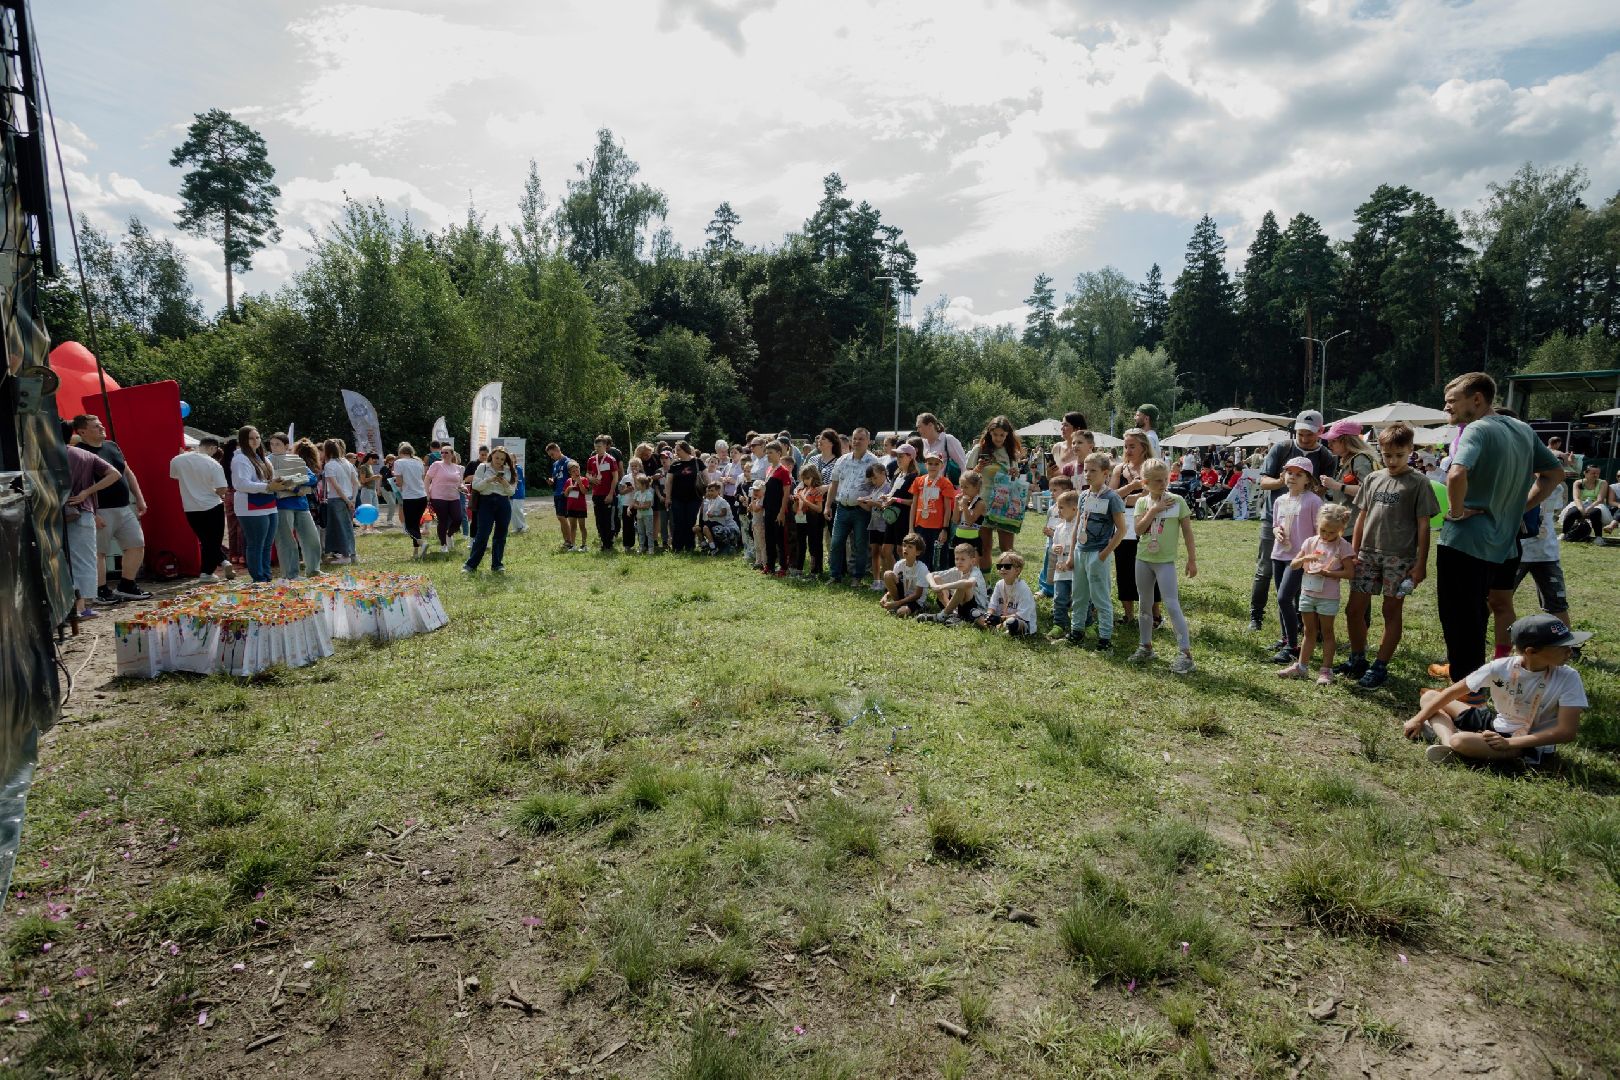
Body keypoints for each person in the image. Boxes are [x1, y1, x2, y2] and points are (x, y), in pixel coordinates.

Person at [1431, 373, 1563, 687]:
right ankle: (1488, 677)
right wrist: (1519, 507)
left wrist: (1456, 511)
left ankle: (1466, 692)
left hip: (1465, 543)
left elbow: (1457, 473)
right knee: (1489, 610)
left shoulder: (1476, 428)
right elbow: (1555, 474)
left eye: (1452, 402)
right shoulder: (1522, 429)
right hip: (1506, 544)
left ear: (1477, 400)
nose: (1447, 407)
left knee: (1462, 619)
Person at [1405, 615, 1589, 767]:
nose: (1570, 651)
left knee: (1460, 741)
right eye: (1563, 647)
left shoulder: (1569, 677)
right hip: (1497, 724)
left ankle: (1454, 742)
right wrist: (1417, 719)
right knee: (1430, 696)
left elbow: (1566, 732)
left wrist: (1509, 743)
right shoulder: (1500, 667)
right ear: (1531, 651)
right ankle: (1448, 745)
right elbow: (1452, 692)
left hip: (1526, 741)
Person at [1338, 423, 1439, 688]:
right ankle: (1357, 658)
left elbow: (1424, 525)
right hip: (1367, 554)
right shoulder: (1373, 479)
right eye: (1387, 455)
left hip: (1399, 557)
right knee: (1353, 609)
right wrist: (1353, 551)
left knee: (1391, 610)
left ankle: (1380, 665)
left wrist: (1420, 564)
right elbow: (1362, 515)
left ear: (1410, 451)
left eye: (1399, 455)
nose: (1392, 460)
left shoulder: (1419, 482)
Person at [1249, 411, 1336, 633]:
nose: (1304, 438)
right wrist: (1283, 479)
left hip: (1305, 521)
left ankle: (1298, 621)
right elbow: (1263, 481)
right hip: (1274, 518)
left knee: (1299, 569)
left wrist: (1314, 489)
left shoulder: (1326, 456)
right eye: (1300, 433)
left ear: (1320, 432)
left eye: (1309, 434)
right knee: (1265, 569)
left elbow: (1323, 490)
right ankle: (1256, 616)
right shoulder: (1282, 448)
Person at [71, 414, 151, 603]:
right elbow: (77, 484)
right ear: (82, 431)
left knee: (136, 544)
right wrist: (93, 513)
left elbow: (127, 472)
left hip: (123, 507)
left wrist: (139, 498)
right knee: (99, 552)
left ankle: (127, 585)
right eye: (96, 426)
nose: (101, 428)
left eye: (100, 425)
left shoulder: (112, 446)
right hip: (99, 509)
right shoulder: (79, 452)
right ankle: (101, 591)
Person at [1131, 459, 1197, 674]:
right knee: (1144, 603)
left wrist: (1191, 559)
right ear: (1145, 483)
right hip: (1143, 559)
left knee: (1171, 604)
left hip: (1165, 563)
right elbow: (1139, 530)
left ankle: (1185, 653)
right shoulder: (1142, 502)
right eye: (1157, 481)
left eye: (1165, 479)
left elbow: (1187, 532)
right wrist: (1154, 510)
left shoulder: (1177, 501)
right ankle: (1145, 646)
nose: (1162, 484)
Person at [1280, 504, 1357, 684]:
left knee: (1327, 632)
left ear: (1340, 529)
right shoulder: (1310, 542)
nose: (1326, 535)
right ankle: (1301, 667)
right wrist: (1305, 558)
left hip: (1328, 597)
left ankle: (1326, 670)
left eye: (1331, 532)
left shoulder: (1342, 546)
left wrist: (1328, 574)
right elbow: (1293, 564)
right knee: (1308, 631)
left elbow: (1349, 573)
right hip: (1308, 593)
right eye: (1322, 530)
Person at [1067, 452, 1125, 651]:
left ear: (1105, 473)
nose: (1088, 474)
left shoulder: (1112, 497)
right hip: (1080, 551)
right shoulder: (1084, 495)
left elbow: (1122, 530)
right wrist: (1071, 552)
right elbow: (1077, 525)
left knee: (1100, 597)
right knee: (1079, 595)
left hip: (1098, 553)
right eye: (1086, 469)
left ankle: (1105, 638)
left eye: (1093, 470)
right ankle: (1076, 631)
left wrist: (1104, 554)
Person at [1268, 457, 1323, 664]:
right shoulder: (1280, 500)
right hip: (1279, 554)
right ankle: (1285, 638)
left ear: (1308, 480)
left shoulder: (1313, 501)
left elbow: (1320, 532)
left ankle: (1292, 646)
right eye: (1289, 473)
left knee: (1285, 598)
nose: (1292, 477)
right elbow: (1275, 524)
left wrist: (1313, 559)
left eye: (1299, 474)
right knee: (1282, 600)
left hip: (1299, 558)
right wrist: (1276, 531)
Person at [1110, 429, 1161, 628]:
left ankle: (1155, 615)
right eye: (1126, 446)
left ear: (1143, 447)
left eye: (1132, 446)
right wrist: (1133, 496)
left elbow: (1155, 495)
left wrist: (1128, 498)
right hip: (1123, 525)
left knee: (1149, 569)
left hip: (1147, 523)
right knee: (1123, 567)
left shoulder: (1152, 468)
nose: (1128, 450)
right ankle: (1128, 614)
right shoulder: (1119, 469)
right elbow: (1112, 496)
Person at [65, 442, 121, 618]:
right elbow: (115, 474)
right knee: (83, 560)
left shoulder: (42, 452)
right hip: (81, 511)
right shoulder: (84, 454)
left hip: (52, 514)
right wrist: (87, 492)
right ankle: (80, 607)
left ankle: (71, 608)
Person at [169, 436, 232, 582]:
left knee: (205, 539)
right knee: (213, 540)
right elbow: (223, 488)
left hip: (190, 507)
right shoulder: (213, 464)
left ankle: (220, 563)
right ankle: (209, 571)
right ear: (213, 448)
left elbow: (174, 476)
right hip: (212, 504)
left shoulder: (177, 459)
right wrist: (212, 492)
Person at [231, 426, 288, 583]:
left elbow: (267, 480)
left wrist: (279, 482)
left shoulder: (262, 457)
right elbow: (241, 484)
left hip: (268, 503)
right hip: (251, 506)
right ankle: (259, 578)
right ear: (243, 440)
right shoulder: (240, 459)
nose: (255, 441)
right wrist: (268, 486)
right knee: (256, 544)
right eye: (251, 438)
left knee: (267, 545)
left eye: (257, 437)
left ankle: (266, 576)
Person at [825, 427, 880, 587]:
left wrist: (869, 502)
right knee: (836, 543)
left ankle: (857, 577)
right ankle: (835, 576)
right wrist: (828, 505)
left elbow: (879, 487)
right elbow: (834, 483)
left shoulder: (874, 462)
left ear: (868, 441)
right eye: (854, 438)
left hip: (861, 511)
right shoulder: (843, 460)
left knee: (860, 545)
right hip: (842, 508)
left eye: (861, 439)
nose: (856, 441)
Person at [964, 416, 1023, 562]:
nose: (998, 438)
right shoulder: (979, 449)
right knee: (984, 548)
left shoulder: (1010, 452)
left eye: (1002, 435)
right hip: (983, 503)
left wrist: (1015, 474)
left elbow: (1015, 479)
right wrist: (978, 469)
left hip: (1005, 504)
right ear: (989, 433)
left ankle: (1010, 582)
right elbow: (967, 476)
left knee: (1007, 549)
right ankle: (986, 582)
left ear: (1007, 434)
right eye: (995, 434)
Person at [268, 432, 321, 579]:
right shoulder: (267, 461)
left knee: (312, 539)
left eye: (277, 444)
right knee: (286, 541)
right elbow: (271, 482)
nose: (274, 447)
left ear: (286, 446)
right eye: (272, 444)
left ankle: (314, 570)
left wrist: (294, 481)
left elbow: (311, 478)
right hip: (282, 504)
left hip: (301, 504)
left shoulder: (296, 459)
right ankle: (291, 574)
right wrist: (294, 483)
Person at [463, 445, 517, 573]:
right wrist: (490, 479)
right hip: (486, 502)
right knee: (482, 534)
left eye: (502, 459)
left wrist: (503, 482)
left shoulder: (509, 470)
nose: (498, 461)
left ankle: (497, 564)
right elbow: (475, 485)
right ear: (491, 455)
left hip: (503, 503)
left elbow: (512, 492)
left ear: (505, 460)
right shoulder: (483, 467)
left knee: (501, 535)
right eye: (496, 457)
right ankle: (471, 565)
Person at [1319, 420, 1377, 532]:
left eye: (1333, 441)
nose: (1329, 445)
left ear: (1347, 441)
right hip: (1347, 526)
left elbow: (1367, 490)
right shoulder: (1347, 459)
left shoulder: (1360, 459)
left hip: (1354, 527)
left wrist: (1337, 485)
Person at [918, 542, 988, 624]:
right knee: (937, 578)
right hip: (958, 606)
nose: (959, 562)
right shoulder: (956, 570)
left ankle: (942, 615)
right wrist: (934, 586)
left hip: (976, 609)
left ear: (972, 561)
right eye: (957, 559)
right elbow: (929, 575)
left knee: (962, 585)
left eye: (963, 559)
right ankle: (953, 615)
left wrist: (941, 587)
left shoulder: (975, 572)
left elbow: (968, 583)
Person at [909, 450, 957, 570]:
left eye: (936, 464)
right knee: (921, 556)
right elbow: (913, 505)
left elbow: (947, 509)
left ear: (941, 465)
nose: (933, 466)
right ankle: (923, 581)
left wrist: (945, 529)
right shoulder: (918, 481)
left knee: (939, 557)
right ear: (926, 464)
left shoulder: (945, 483)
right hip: (920, 525)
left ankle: (940, 584)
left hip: (938, 528)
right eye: (930, 463)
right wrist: (911, 528)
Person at [1045, 490, 1081, 642]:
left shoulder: (1080, 527)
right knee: (1059, 597)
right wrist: (1055, 548)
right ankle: (1059, 623)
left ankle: (1085, 624)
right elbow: (1054, 544)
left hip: (1076, 570)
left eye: (1061, 507)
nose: (1058, 510)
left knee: (1080, 598)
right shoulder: (1059, 527)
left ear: (1074, 509)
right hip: (1061, 570)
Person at [321, 438, 360, 565]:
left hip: (337, 499)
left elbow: (336, 487)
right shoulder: (347, 463)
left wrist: (348, 501)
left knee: (340, 528)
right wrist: (352, 499)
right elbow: (355, 483)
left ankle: (346, 555)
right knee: (347, 527)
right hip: (348, 498)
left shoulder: (329, 465)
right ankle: (351, 553)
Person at [980, 550, 1037, 635]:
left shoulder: (1023, 588)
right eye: (1000, 566)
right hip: (1001, 618)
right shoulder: (999, 584)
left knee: (1011, 623)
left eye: (1007, 566)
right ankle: (997, 627)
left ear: (1017, 570)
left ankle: (1002, 629)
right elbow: (993, 605)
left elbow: (1022, 615)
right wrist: (989, 615)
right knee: (975, 613)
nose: (1002, 569)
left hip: (1021, 621)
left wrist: (1000, 619)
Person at [1038, 473, 1076, 597]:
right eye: (1050, 490)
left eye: (1055, 490)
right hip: (1051, 545)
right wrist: (1047, 531)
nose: (1052, 493)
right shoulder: (1051, 508)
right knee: (1048, 566)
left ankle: (1065, 592)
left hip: (1065, 548)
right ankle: (1047, 589)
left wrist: (1053, 533)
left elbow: (1068, 529)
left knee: (1065, 570)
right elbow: (1049, 522)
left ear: (1067, 491)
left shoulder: (1071, 510)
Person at [425, 448, 467, 554]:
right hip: (438, 496)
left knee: (458, 519)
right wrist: (427, 493)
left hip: (454, 497)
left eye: (446, 452)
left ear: (452, 454)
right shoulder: (436, 464)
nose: (443, 454)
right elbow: (427, 479)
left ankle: (449, 535)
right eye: (442, 453)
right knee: (443, 521)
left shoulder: (458, 468)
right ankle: (443, 545)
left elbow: (460, 483)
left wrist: (463, 487)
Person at [666, 441, 704, 553]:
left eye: (678, 450)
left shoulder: (697, 462)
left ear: (685, 450)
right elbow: (669, 482)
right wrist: (668, 497)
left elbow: (706, 478)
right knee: (678, 522)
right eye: (675, 450)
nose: (676, 452)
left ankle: (690, 547)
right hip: (677, 498)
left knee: (690, 522)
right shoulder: (674, 464)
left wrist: (708, 493)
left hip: (694, 498)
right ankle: (677, 547)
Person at [393, 442, 429, 559]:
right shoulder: (419, 462)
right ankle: (416, 553)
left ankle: (422, 543)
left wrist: (395, 483)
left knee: (409, 527)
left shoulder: (398, 462)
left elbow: (399, 482)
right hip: (422, 496)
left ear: (400, 453)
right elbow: (422, 478)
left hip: (409, 497)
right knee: (415, 525)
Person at [1561, 463, 1613, 542]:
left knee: (1595, 513)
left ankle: (1599, 537)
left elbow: (1600, 499)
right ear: (1585, 473)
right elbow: (1576, 498)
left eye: (1598, 473)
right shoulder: (1578, 483)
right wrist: (1581, 509)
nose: (1596, 475)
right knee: (1572, 512)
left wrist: (1589, 508)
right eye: (1593, 473)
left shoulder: (1603, 483)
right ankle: (1564, 533)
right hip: (1580, 503)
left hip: (1596, 504)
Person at [586, 436, 621, 554]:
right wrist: (590, 479)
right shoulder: (591, 459)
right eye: (595, 447)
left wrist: (611, 494)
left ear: (605, 446)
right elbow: (587, 473)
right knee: (599, 518)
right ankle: (602, 540)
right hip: (596, 494)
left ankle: (609, 542)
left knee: (608, 519)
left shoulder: (611, 459)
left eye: (599, 447)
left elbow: (615, 477)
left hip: (608, 494)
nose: (597, 449)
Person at [880, 533, 929, 617]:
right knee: (888, 574)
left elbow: (917, 594)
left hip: (916, 600)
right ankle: (898, 606)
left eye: (910, 547)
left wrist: (897, 603)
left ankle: (922, 607)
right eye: (904, 545)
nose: (905, 549)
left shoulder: (922, 568)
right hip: (903, 597)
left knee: (901, 613)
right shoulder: (899, 564)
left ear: (918, 552)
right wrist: (885, 596)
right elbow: (894, 585)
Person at [790, 463, 826, 577]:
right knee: (801, 544)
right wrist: (796, 502)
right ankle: (799, 569)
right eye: (803, 478)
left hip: (813, 520)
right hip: (800, 519)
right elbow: (794, 509)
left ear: (814, 477)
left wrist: (806, 502)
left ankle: (814, 571)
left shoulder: (817, 491)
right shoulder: (801, 489)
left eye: (808, 478)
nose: (805, 481)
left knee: (813, 545)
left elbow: (819, 509)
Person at [861, 461, 893, 588]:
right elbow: (869, 509)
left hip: (885, 525)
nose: (874, 481)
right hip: (874, 524)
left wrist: (872, 503)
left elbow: (885, 506)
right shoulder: (874, 489)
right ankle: (876, 580)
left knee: (885, 553)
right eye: (871, 479)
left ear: (883, 473)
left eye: (875, 478)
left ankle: (887, 580)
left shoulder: (889, 488)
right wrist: (861, 503)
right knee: (874, 552)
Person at [915, 413, 967, 483]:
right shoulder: (924, 442)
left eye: (919, 427)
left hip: (948, 488)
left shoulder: (948, 439)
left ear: (930, 425)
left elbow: (963, 465)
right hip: (930, 488)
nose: (917, 430)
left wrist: (962, 489)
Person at [953, 469, 987, 570]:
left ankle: (977, 585)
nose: (962, 490)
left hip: (973, 540)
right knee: (960, 567)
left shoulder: (980, 503)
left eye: (966, 487)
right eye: (961, 487)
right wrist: (956, 504)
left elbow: (969, 522)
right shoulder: (962, 501)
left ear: (976, 488)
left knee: (973, 568)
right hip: (959, 538)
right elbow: (955, 520)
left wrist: (964, 505)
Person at [546, 443, 575, 548]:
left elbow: (575, 477)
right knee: (560, 517)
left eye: (552, 454)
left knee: (562, 516)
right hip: (557, 493)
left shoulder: (569, 462)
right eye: (550, 455)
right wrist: (551, 481)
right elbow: (556, 478)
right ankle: (566, 541)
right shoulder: (555, 464)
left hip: (565, 493)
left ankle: (570, 541)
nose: (552, 457)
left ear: (558, 450)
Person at [700, 480, 740, 554]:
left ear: (718, 490)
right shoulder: (711, 501)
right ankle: (711, 547)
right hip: (719, 524)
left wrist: (713, 515)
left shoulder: (722, 501)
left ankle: (718, 548)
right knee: (700, 528)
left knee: (713, 529)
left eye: (712, 491)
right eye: (709, 491)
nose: (710, 493)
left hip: (729, 527)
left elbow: (723, 513)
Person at [1049, 412, 1091, 478]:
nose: (1061, 428)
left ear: (1077, 429)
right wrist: (1049, 473)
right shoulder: (1057, 447)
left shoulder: (1085, 451)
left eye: (1065, 425)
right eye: (1062, 425)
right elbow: (1049, 478)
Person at [631, 474, 656, 554]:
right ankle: (641, 547)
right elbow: (634, 504)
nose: (636, 485)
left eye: (638, 483)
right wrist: (640, 506)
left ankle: (651, 548)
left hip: (648, 515)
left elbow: (648, 505)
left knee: (649, 532)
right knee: (640, 532)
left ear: (644, 485)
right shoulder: (637, 493)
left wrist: (638, 506)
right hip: (639, 515)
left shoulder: (649, 493)